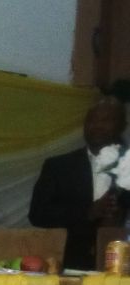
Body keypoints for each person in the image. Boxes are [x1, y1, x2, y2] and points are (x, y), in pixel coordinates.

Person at [29, 96, 129, 270]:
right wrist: (88, 212)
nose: (97, 126)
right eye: (91, 120)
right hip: (73, 265)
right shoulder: (58, 166)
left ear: (122, 126)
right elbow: (38, 214)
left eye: (106, 120)